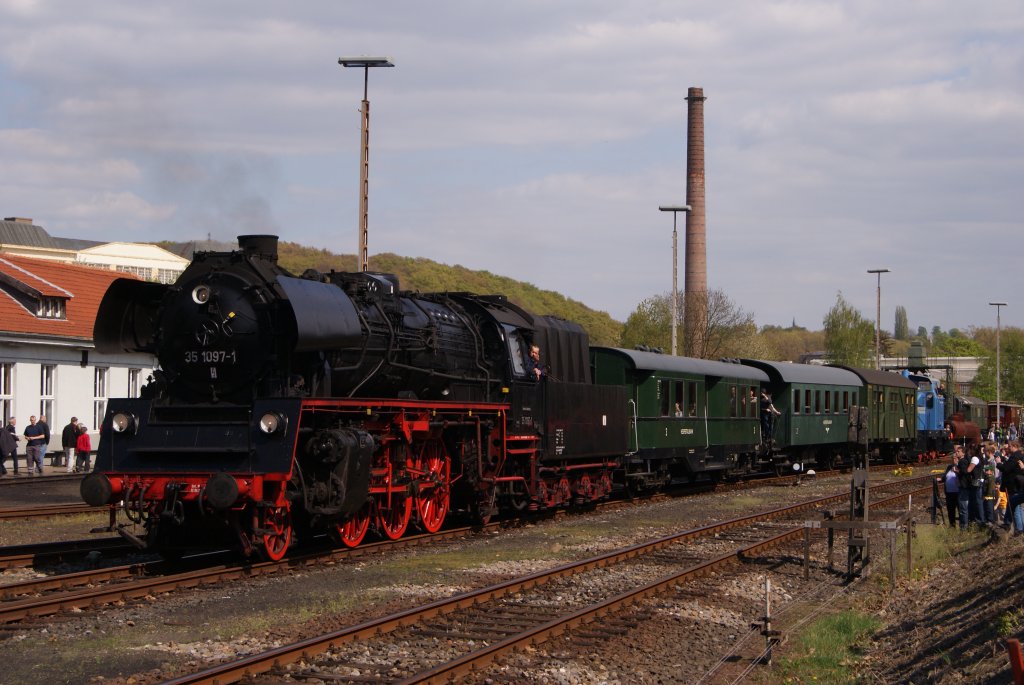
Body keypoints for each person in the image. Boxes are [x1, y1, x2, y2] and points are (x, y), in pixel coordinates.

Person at [942, 463, 959, 529]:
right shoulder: (949, 467)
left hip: (958, 493)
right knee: (950, 510)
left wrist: (956, 471)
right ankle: (952, 525)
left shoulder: (960, 466)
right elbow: (944, 477)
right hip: (949, 493)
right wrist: (940, 479)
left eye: (955, 458)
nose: (954, 460)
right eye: (953, 458)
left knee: (960, 510)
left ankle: (963, 526)